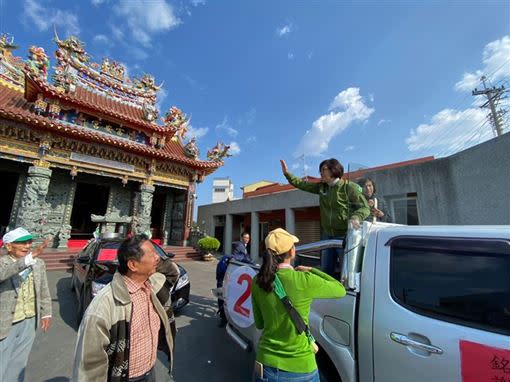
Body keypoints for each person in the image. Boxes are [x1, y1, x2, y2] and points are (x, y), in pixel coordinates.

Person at [73, 234, 174, 382]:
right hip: (124, 377)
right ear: (133, 265)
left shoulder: (153, 284)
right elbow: (90, 366)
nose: (157, 258)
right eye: (152, 255)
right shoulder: (104, 306)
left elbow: (172, 273)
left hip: (149, 371)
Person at [251, 228, 346, 382]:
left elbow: (260, 323)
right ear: (292, 252)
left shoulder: (256, 281)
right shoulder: (304, 279)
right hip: (300, 368)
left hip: (265, 364)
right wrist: (312, 270)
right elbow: (340, 289)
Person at [280, 159, 370, 276]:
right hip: (326, 236)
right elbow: (302, 184)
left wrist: (356, 217)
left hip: (344, 236)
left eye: (323, 169)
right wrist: (287, 174)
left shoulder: (349, 187)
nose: (321, 173)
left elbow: (365, 208)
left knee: (346, 272)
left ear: (334, 170)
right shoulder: (322, 187)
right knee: (326, 270)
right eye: (320, 170)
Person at [0, 227, 52, 382]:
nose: (28, 246)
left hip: (30, 318)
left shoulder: (38, 263)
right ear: (8, 246)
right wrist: (31, 257)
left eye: (29, 242)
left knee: (19, 362)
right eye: (22, 243)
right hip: (6, 322)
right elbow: (3, 274)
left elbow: (43, 289)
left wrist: (46, 312)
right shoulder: (2, 263)